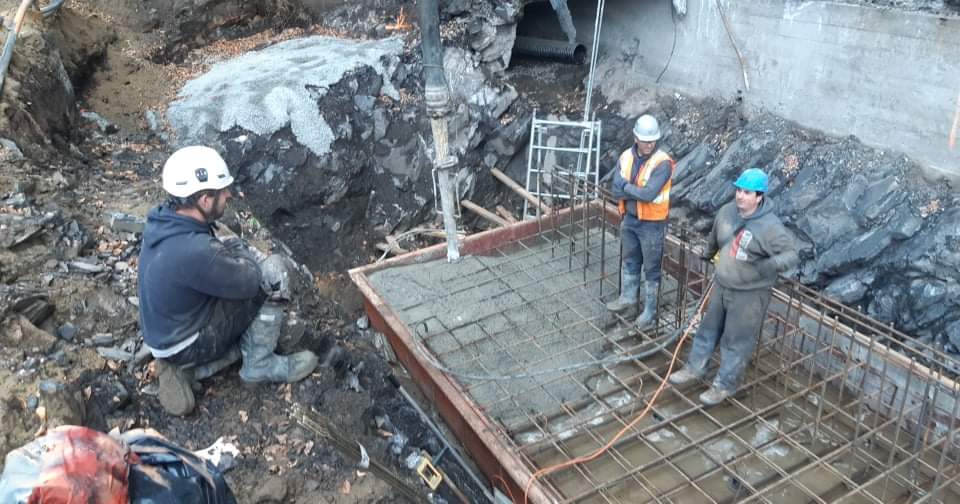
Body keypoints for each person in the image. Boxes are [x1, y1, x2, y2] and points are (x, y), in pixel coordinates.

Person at [138, 146, 318, 416]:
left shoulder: (164, 221)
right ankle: (258, 365)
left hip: (166, 334)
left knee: (231, 251)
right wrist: (240, 248)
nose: (229, 195)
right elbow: (249, 280)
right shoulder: (194, 250)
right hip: (186, 342)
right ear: (203, 199)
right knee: (274, 273)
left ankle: (189, 371)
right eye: (222, 191)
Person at [668, 168, 798, 405]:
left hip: (749, 294)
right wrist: (707, 254)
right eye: (738, 190)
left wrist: (770, 266)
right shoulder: (727, 212)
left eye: (747, 192)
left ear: (759, 196)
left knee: (736, 340)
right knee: (707, 329)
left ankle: (724, 385)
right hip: (723, 284)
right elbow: (715, 237)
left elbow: (791, 255)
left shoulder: (770, 227)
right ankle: (695, 368)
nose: (740, 196)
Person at [607, 114, 675, 329]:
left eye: (653, 140)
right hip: (630, 218)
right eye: (646, 140)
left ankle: (650, 312)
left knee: (652, 268)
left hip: (652, 224)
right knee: (630, 259)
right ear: (636, 137)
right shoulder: (626, 157)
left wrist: (626, 188)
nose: (650, 144)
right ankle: (628, 298)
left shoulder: (662, 163)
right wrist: (630, 191)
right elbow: (614, 187)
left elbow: (648, 194)